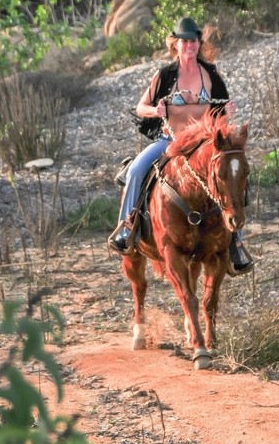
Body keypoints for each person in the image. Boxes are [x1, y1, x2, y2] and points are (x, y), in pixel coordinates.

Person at [108, 16, 253, 275]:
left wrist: (227, 110)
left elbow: (221, 111)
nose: (189, 46)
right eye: (184, 42)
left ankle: (236, 242)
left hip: (203, 145)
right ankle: (127, 228)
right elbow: (141, 107)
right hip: (170, 141)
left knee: (235, 174)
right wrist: (156, 109)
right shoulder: (165, 75)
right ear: (175, 44)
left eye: (193, 41)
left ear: (199, 43)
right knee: (136, 170)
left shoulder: (210, 73)